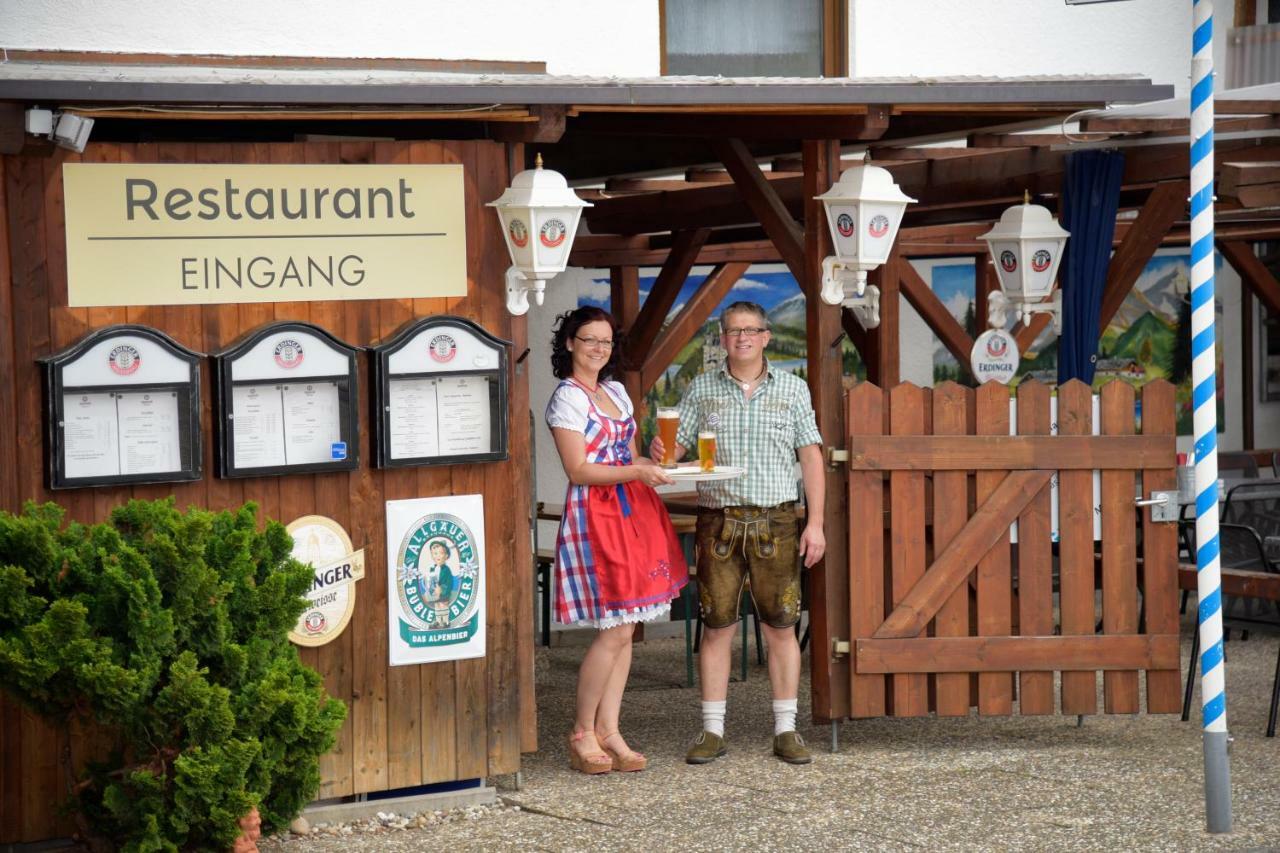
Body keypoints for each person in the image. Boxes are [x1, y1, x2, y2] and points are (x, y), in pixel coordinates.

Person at [649, 300, 825, 765]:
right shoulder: (702, 388)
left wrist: (817, 524)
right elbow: (674, 453)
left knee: (781, 628)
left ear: (766, 336)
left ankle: (786, 730)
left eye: (750, 330)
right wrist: (661, 448)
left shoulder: (793, 389)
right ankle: (712, 731)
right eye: (732, 331)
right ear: (722, 339)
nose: (741, 338)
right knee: (716, 627)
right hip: (718, 520)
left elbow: (811, 457)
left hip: (780, 520)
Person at [545, 305, 689, 775]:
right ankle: (582, 731)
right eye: (589, 340)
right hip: (596, 515)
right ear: (570, 344)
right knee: (613, 629)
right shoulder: (566, 398)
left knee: (627, 630)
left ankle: (610, 729)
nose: (598, 349)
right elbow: (579, 470)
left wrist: (651, 457)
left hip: (633, 512)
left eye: (605, 341)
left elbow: (626, 455)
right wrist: (637, 470)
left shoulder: (616, 391)